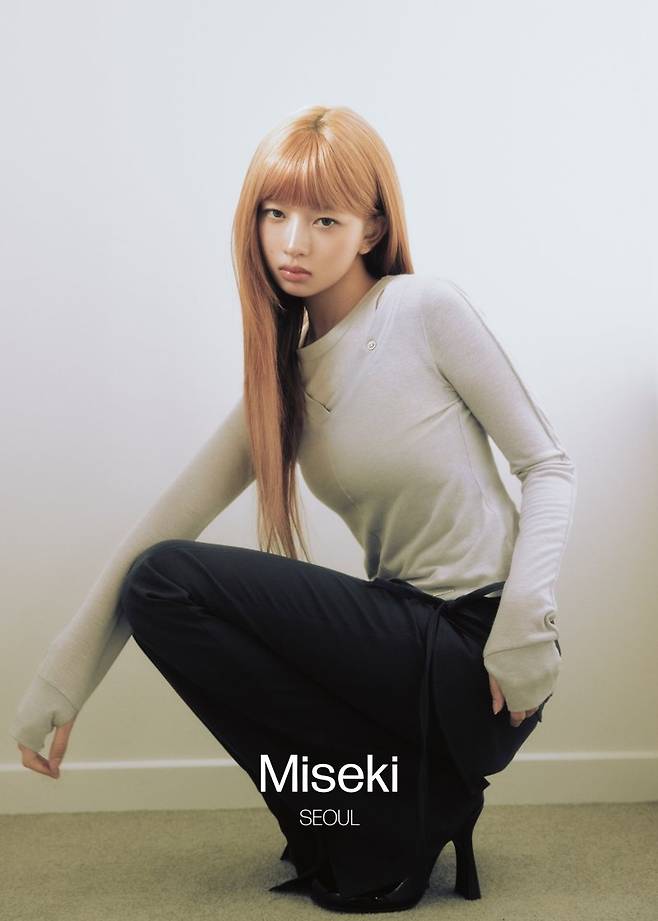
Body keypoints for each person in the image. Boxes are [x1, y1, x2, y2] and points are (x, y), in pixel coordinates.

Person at [11, 104, 577, 913]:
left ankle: (406, 801)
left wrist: (525, 631)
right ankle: (389, 800)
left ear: (371, 226)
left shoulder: (424, 311)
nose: (292, 241)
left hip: (479, 655)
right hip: (406, 640)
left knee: (167, 577)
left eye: (324, 219)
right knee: (161, 586)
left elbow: (548, 465)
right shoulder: (280, 385)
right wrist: (61, 683)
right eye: (274, 214)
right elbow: (163, 525)